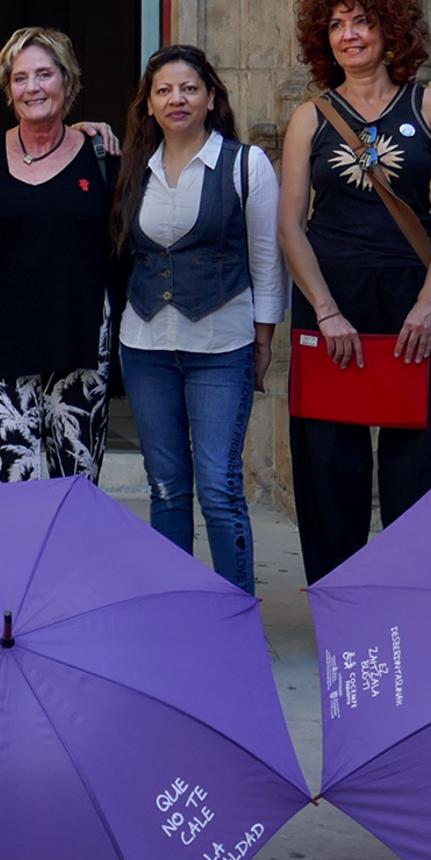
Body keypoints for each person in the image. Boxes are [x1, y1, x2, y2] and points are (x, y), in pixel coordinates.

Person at [278, 0, 431, 584]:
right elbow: (289, 226)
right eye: (335, 25)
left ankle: (417, 598)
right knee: (330, 462)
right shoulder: (309, 116)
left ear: (389, 31)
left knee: (424, 459)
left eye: (361, 21)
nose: (349, 35)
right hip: (331, 300)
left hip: (415, 299)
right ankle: (341, 602)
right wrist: (326, 310)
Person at [111, 45, 282, 594]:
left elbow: (266, 258)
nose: (176, 99)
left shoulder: (244, 163)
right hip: (144, 345)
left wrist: (263, 339)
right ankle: (177, 609)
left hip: (220, 345)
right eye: (164, 90)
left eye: (188, 88)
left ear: (210, 97)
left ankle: (234, 610)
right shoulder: (135, 166)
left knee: (219, 487)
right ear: (150, 103)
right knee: (165, 485)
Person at [0, 26, 115, 483]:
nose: (32, 87)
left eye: (44, 74)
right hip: (5, 341)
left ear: (68, 82)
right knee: (15, 482)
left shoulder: (101, 156)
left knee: (77, 482)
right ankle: (20, 560)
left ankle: (74, 559)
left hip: (79, 338)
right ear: (8, 87)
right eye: (20, 77)